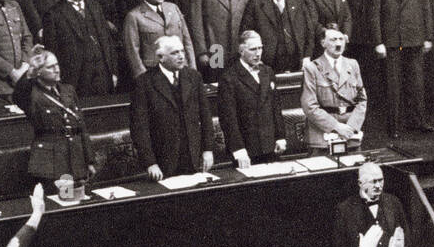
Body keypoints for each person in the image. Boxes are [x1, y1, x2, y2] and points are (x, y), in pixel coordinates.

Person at [370, 0, 434, 138]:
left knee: (416, 83)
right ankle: (394, 126)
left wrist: (428, 36)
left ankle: (418, 121)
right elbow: (374, 13)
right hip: (392, 41)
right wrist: (378, 42)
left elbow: (426, 8)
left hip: (414, 38)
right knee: (393, 86)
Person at [129, 35, 215, 181]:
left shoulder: (194, 77)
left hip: (194, 158)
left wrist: (208, 150)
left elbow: (206, 117)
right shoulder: (144, 83)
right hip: (163, 162)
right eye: (175, 53)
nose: (181, 56)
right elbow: (139, 127)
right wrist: (150, 163)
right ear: (161, 57)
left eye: (182, 51)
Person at [10, 48, 94, 185]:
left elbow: (81, 126)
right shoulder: (32, 95)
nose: (57, 70)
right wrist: (29, 70)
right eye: (50, 67)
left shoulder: (68, 91)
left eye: (57, 65)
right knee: (58, 201)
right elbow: (19, 93)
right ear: (38, 72)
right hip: (52, 161)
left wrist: (89, 160)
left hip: (75, 157)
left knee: (75, 199)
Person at [333, 163, 410, 247]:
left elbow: (406, 239)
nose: (379, 186)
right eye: (374, 182)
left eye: (381, 180)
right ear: (360, 183)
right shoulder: (345, 209)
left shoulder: (393, 202)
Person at [41, 0, 117, 97]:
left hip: (104, 76)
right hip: (75, 80)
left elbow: (108, 42)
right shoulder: (53, 15)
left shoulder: (95, 7)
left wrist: (113, 72)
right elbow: (52, 50)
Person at [217, 30, 286, 169]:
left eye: (260, 48)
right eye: (253, 49)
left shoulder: (267, 71)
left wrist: (280, 136)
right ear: (241, 51)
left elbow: (276, 108)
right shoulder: (229, 77)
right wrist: (238, 149)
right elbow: (228, 118)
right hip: (246, 150)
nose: (258, 53)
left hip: (270, 145)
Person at [187, 0, 250, 83]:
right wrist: (202, 52)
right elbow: (196, 22)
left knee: (241, 82)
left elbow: (248, 14)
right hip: (215, 47)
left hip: (238, 45)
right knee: (218, 82)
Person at [301, 28, 366, 149]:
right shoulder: (312, 68)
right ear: (323, 43)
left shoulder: (353, 64)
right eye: (333, 40)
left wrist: (351, 127)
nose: (338, 44)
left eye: (341, 39)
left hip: (350, 132)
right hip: (323, 134)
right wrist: (336, 126)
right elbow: (309, 106)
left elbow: (362, 100)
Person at [121, 0, 196, 79]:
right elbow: (132, 52)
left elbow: (187, 41)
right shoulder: (134, 16)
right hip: (153, 73)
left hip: (181, 68)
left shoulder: (173, 8)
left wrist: (192, 68)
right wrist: (142, 77)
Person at [242, 0, 309, 73]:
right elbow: (246, 34)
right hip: (267, 64)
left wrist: (307, 56)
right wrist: (256, 59)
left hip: (297, 61)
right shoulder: (255, 4)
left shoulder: (297, 1)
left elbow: (308, 31)